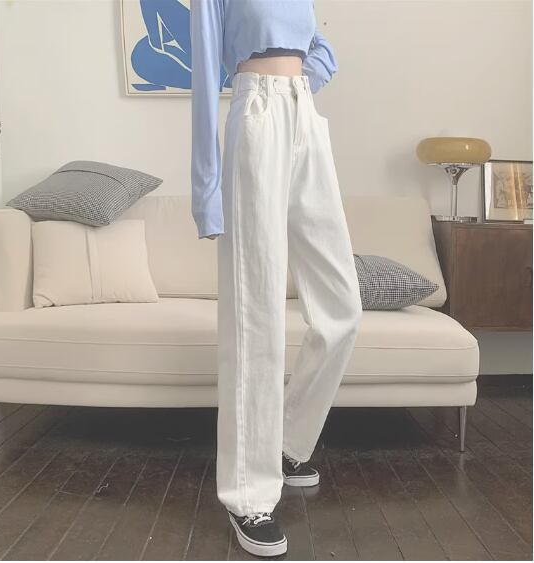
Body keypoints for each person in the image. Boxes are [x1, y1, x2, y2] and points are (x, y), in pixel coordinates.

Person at [190, 0, 363, 557]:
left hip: (304, 115)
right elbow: (204, 76)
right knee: (256, 315)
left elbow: (319, 47)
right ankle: (248, 496)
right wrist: (207, 193)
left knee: (342, 307)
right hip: (256, 114)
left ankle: (287, 442)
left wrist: (301, 87)